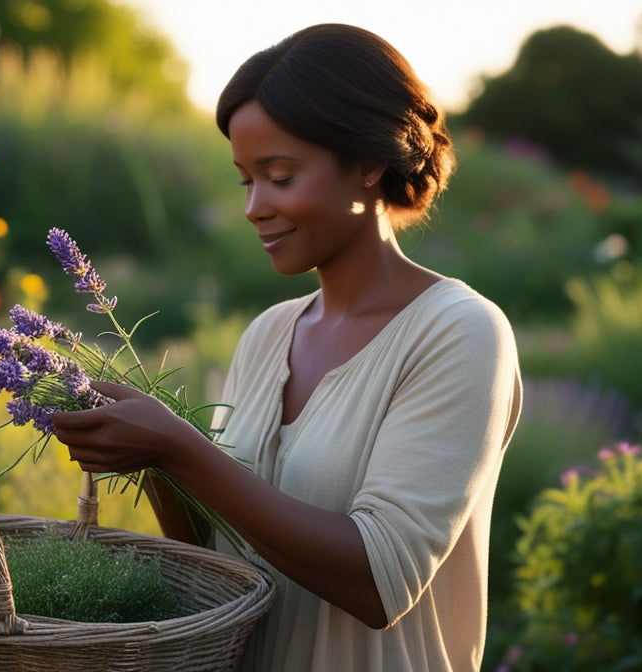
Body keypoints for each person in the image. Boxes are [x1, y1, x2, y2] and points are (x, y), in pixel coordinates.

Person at [51, 23, 522, 672]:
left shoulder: (459, 332)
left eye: (279, 176)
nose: (253, 207)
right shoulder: (270, 333)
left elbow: (381, 582)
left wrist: (177, 446)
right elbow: (224, 554)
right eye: (246, 180)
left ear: (367, 163)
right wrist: (152, 456)